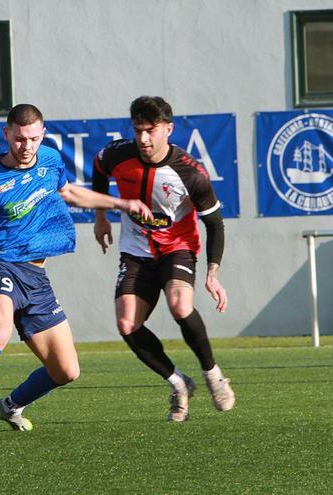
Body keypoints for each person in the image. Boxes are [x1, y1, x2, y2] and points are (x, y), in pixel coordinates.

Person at [0, 103, 152, 443]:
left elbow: (70, 192)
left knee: (66, 370)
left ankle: (12, 405)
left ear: (42, 134)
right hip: (0, 266)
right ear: (6, 135)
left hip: (37, 278)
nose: (26, 146)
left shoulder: (49, 159)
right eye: (19, 139)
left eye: (33, 138)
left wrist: (122, 204)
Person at [91, 95, 235, 423]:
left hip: (176, 250)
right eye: (138, 130)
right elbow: (98, 169)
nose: (143, 138)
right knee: (127, 323)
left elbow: (214, 223)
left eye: (151, 130)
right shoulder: (117, 154)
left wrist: (213, 273)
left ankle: (213, 374)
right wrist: (101, 215)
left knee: (180, 305)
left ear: (168, 129)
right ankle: (178, 382)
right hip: (136, 253)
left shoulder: (191, 173)